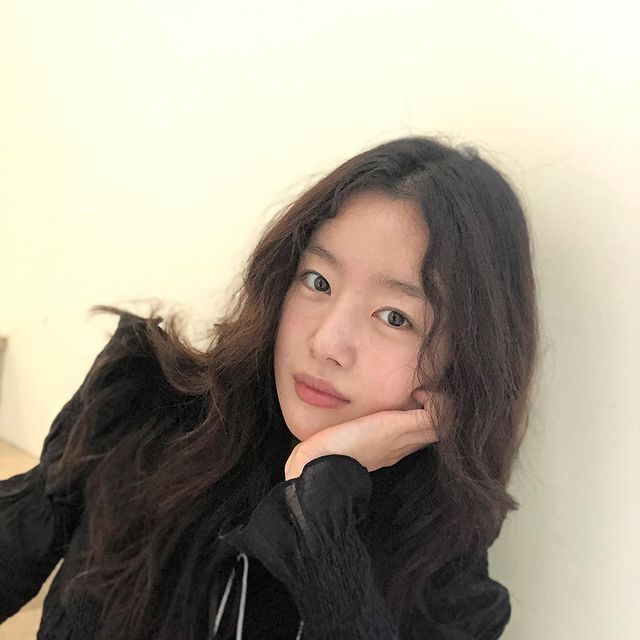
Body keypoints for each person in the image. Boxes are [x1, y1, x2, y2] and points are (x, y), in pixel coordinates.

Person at [0, 135, 538, 639]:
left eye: (395, 317)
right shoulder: (141, 404)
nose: (327, 342)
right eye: (318, 281)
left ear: (462, 359)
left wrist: (321, 506)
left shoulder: (442, 571)